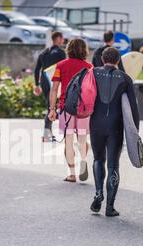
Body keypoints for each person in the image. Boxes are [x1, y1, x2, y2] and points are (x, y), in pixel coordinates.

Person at [89, 47, 139, 217]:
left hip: (95, 123)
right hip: (115, 126)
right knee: (113, 165)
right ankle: (110, 207)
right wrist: (135, 134)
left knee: (97, 159)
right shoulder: (125, 79)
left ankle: (98, 193)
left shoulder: (93, 73)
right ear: (118, 60)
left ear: (103, 59)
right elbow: (133, 109)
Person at [48, 39, 92, 183]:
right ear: (84, 50)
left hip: (66, 107)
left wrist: (52, 109)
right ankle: (83, 160)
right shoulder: (89, 67)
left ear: (69, 49)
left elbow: (54, 89)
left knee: (68, 141)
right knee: (82, 139)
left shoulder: (61, 65)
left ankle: (72, 173)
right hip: (84, 108)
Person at [34, 31, 66, 142]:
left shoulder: (44, 52)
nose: (62, 41)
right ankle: (46, 133)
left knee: (49, 105)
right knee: (51, 107)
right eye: (62, 39)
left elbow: (37, 69)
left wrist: (36, 85)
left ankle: (48, 133)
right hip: (54, 80)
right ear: (58, 39)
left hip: (44, 80)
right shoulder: (61, 53)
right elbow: (64, 68)